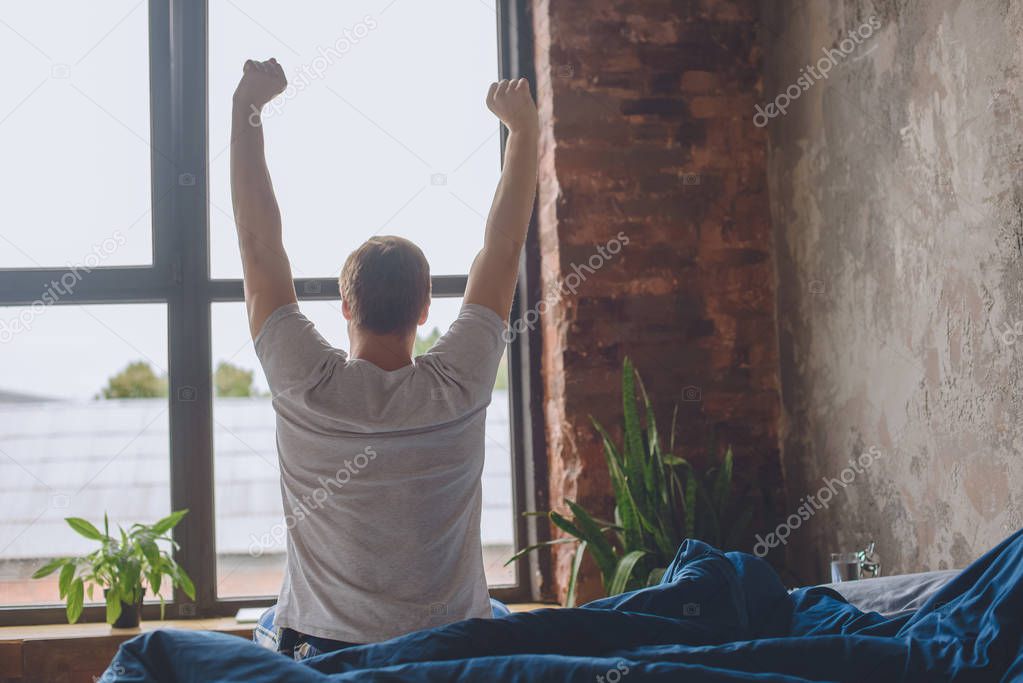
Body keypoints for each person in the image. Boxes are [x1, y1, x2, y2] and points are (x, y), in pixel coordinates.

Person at [230, 58, 538, 660]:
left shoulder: (305, 383)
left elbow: (258, 245)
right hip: (453, 648)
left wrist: (249, 107)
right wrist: (523, 132)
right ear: (425, 309)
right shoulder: (460, 381)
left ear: (346, 306)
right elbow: (501, 253)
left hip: (323, 651)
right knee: (499, 615)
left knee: (268, 621)